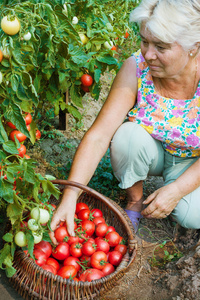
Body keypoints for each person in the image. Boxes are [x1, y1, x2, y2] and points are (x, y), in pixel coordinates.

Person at [50, 0, 200, 244]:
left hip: (194, 160)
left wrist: (177, 190)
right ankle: (134, 201)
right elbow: (99, 136)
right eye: (144, 41)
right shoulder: (137, 68)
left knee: (190, 216)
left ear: (193, 47)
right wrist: (70, 195)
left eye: (160, 47)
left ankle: (176, 190)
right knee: (126, 137)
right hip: (152, 148)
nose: (148, 54)